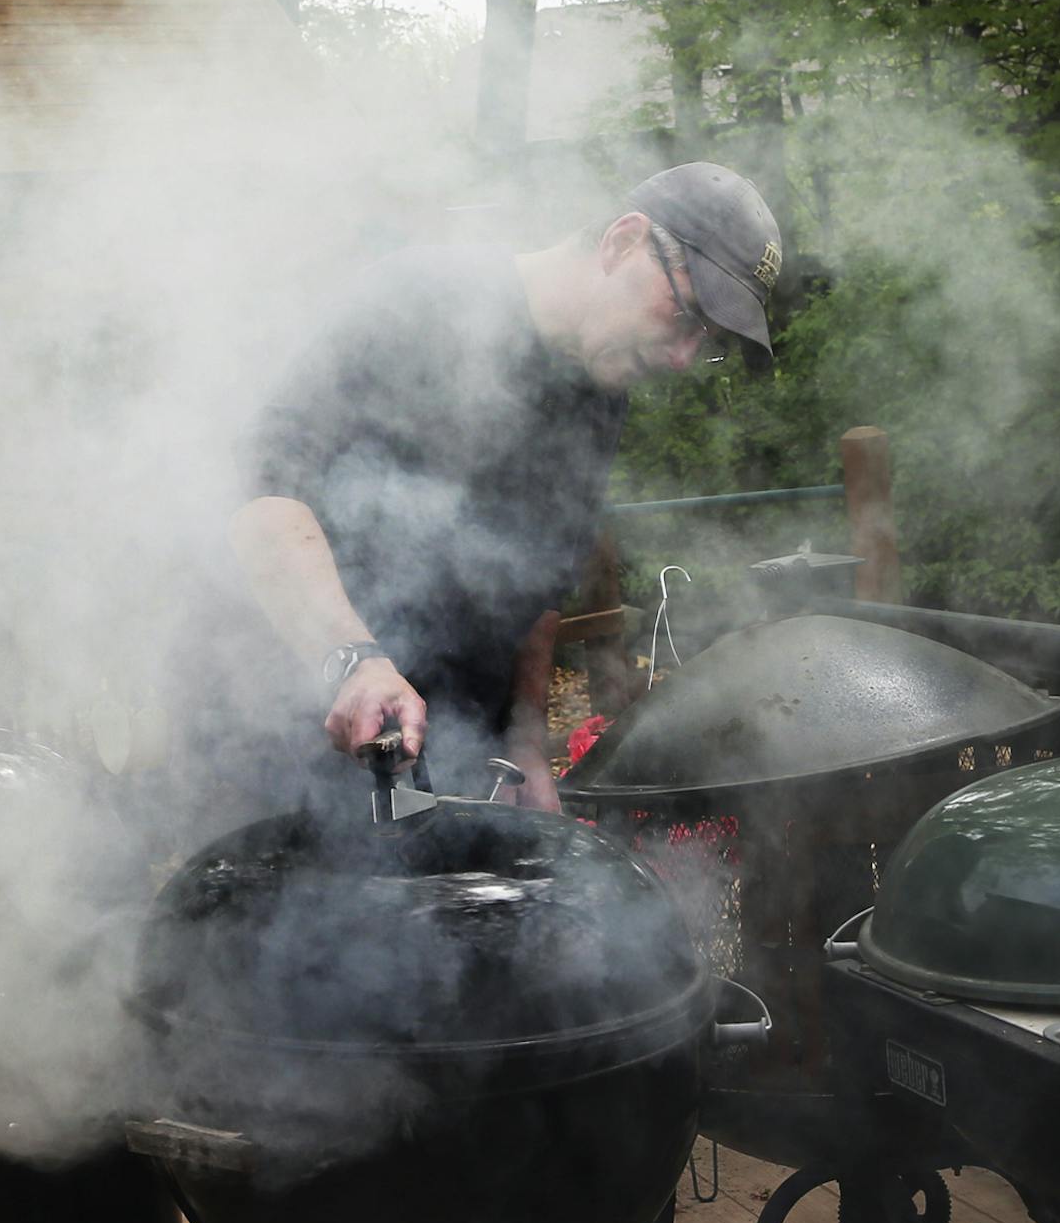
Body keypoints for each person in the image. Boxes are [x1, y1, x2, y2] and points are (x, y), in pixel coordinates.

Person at [224, 162, 782, 813]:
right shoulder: (423, 299)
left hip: (458, 760)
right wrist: (354, 663)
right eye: (686, 313)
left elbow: (540, 588)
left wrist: (523, 741)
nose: (683, 357)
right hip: (297, 746)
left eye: (705, 342)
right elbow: (264, 484)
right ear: (622, 241)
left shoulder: (600, 395)